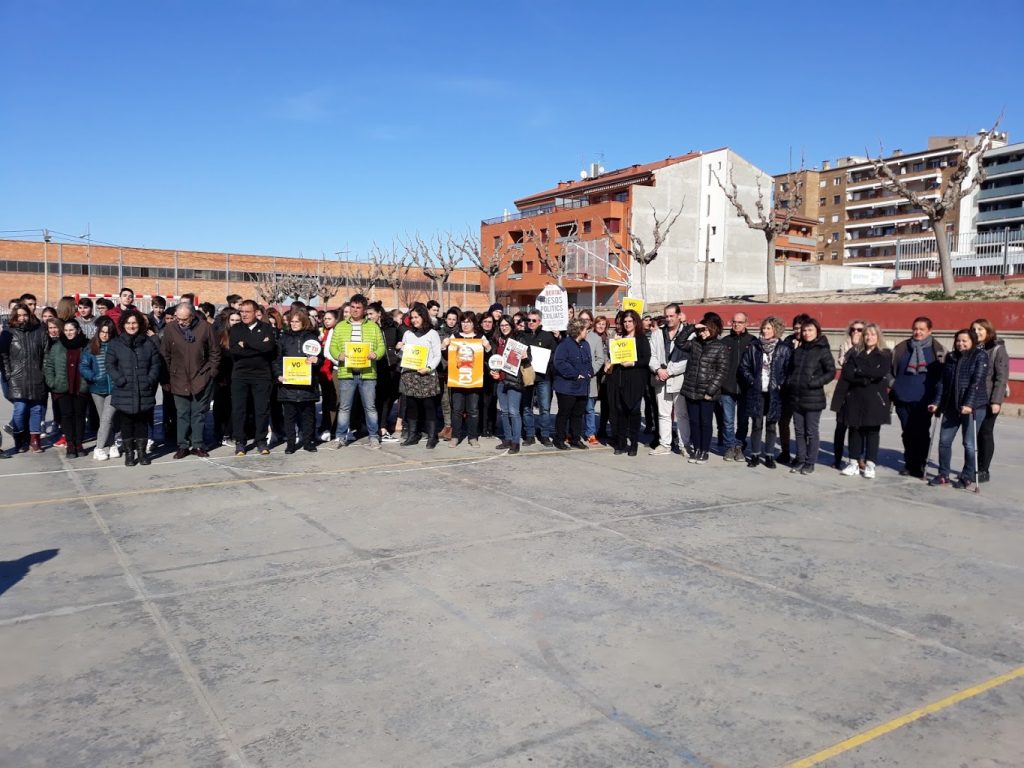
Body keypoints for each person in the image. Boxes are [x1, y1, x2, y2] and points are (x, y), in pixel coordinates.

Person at [929, 328, 989, 490]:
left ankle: (967, 475)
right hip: (951, 406)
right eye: (958, 340)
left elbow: (977, 381)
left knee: (968, 443)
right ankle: (943, 474)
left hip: (974, 407)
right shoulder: (951, 357)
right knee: (944, 441)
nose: (960, 343)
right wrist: (936, 402)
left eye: (964, 341)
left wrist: (969, 404)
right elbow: (942, 382)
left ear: (972, 341)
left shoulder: (980, 356)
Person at [162, 302, 220, 458]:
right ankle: (182, 445)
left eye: (185, 319)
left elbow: (215, 352)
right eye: (178, 318)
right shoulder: (170, 329)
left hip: (201, 377)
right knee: (182, 413)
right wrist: (166, 377)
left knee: (198, 413)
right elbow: (165, 354)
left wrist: (211, 372)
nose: (181, 322)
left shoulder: (205, 328)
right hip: (178, 378)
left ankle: (197, 444)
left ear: (193, 316)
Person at [328, 294, 387, 449]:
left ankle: (373, 436)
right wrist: (338, 355)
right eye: (352, 307)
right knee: (344, 407)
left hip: (367, 373)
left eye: (358, 308)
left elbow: (381, 347)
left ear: (364, 309)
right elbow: (332, 347)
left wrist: (376, 354)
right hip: (346, 372)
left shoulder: (373, 327)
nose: (355, 310)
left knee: (370, 407)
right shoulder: (340, 326)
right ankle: (340, 437)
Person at [891, 317, 946, 478]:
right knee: (907, 432)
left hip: (925, 400)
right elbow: (889, 369)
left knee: (921, 432)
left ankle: (920, 463)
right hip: (902, 397)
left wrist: (938, 399)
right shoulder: (902, 348)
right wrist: (894, 384)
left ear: (930, 331)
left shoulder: (938, 350)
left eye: (922, 329)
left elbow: (943, 376)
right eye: (915, 328)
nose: (918, 332)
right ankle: (910, 463)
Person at [835, 323, 891, 479]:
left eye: (872, 334)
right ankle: (853, 462)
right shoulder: (855, 352)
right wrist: (865, 377)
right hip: (855, 397)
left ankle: (870, 464)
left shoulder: (885, 354)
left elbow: (880, 372)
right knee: (855, 430)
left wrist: (859, 371)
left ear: (878, 336)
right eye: (866, 334)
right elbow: (848, 373)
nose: (869, 337)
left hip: (875, 398)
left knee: (872, 432)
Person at [106, 310, 162, 466]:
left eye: (134, 323)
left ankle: (142, 453)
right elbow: (110, 365)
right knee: (126, 423)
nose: (131, 326)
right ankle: (129, 454)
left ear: (140, 324)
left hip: (143, 389)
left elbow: (155, 364)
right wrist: (120, 379)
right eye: (128, 323)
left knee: (142, 423)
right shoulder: (116, 344)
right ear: (123, 325)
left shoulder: (148, 343)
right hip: (124, 389)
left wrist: (149, 380)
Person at [786, 317, 835, 475]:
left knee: (811, 431)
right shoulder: (798, 350)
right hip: (796, 397)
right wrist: (790, 382)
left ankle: (810, 462)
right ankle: (801, 459)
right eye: (805, 330)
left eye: (810, 330)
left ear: (817, 331)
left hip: (813, 397)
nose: (807, 333)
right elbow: (791, 370)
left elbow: (831, 372)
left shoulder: (822, 350)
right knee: (799, 431)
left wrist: (814, 382)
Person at [740, 316, 791, 469]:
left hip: (774, 392)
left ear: (776, 330)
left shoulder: (783, 348)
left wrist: (781, 383)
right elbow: (744, 366)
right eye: (764, 328)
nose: (765, 330)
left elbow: (788, 370)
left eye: (768, 328)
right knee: (756, 424)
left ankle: (769, 455)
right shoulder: (754, 346)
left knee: (771, 425)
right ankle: (755, 454)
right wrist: (752, 381)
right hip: (757, 390)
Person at [228, 300, 278, 456]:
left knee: (261, 409)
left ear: (256, 313)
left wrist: (247, 344)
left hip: (262, 375)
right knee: (239, 409)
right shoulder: (236, 329)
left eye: (247, 312)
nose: (243, 315)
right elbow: (235, 350)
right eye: (241, 311)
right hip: (240, 375)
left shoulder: (267, 328)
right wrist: (258, 346)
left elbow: (269, 348)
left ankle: (261, 441)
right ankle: (240, 442)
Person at [679, 313, 729, 464]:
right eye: (701, 330)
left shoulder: (720, 347)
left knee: (705, 422)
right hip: (691, 389)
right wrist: (692, 328)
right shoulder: (695, 343)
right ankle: (696, 449)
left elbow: (722, 371)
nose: (702, 333)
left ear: (713, 329)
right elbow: (680, 342)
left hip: (707, 392)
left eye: (705, 330)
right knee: (694, 421)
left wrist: (711, 391)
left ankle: (704, 450)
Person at [0, 302, 48, 453]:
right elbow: (3, 355)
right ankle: (19, 439)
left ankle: (35, 440)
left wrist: (43, 372)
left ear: (30, 315)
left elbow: (46, 353)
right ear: (14, 316)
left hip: (36, 376)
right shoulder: (8, 332)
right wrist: (8, 374)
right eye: (19, 315)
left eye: (25, 315)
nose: (22, 318)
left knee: (36, 409)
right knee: (20, 409)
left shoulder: (39, 331)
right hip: (17, 378)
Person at [275, 308, 322, 453]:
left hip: (307, 384)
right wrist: (278, 375)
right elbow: (277, 360)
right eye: (292, 321)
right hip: (288, 385)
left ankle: (308, 442)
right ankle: (290, 444)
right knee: (289, 416)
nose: (294, 324)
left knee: (308, 415)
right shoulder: (283, 338)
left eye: (297, 321)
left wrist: (317, 360)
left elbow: (320, 358)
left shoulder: (311, 338)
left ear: (304, 322)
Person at [606, 309, 652, 456]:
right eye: (625, 321)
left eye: (630, 321)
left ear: (635, 322)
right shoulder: (621, 338)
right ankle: (621, 443)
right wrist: (614, 348)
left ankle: (633, 443)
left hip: (636, 379)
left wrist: (633, 363)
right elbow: (614, 358)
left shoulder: (641, 339)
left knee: (633, 411)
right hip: (620, 379)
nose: (627, 324)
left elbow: (646, 359)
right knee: (620, 411)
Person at [397, 303, 442, 448]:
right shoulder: (408, 334)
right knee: (411, 406)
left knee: (429, 406)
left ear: (423, 316)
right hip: (409, 375)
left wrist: (429, 368)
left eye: (416, 317)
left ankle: (432, 436)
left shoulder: (432, 334)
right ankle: (412, 435)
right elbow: (403, 355)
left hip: (426, 375)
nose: (414, 320)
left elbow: (437, 355)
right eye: (412, 318)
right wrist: (399, 349)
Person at [44, 320, 91, 457]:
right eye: (66, 330)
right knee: (66, 415)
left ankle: (79, 443)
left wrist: (89, 381)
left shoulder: (87, 345)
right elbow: (49, 366)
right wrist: (52, 382)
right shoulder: (57, 346)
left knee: (80, 415)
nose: (68, 333)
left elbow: (93, 364)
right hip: (62, 387)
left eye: (71, 330)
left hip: (81, 386)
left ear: (78, 330)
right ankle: (70, 443)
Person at [647, 303, 689, 456]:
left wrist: (669, 371)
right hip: (661, 378)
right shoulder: (657, 333)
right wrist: (658, 369)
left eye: (672, 316)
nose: (669, 319)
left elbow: (688, 359)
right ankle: (665, 444)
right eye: (667, 316)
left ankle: (684, 444)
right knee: (663, 413)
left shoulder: (687, 334)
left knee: (682, 414)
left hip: (679, 378)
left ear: (679, 316)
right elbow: (651, 355)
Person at [972, 318, 1009, 484]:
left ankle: (983, 469)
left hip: (988, 399)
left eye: (980, 329)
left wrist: (996, 401)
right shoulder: (972, 348)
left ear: (988, 331)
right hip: (972, 398)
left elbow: (1001, 377)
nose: (977, 332)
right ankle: (972, 468)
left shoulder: (997, 349)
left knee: (985, 433)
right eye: (974, 329)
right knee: (974, 434)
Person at [446, 312, 490, 447]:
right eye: (463, 322)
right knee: (457, 410)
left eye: (469, 322)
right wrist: (444, 346)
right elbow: (448, 357)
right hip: (458, 379)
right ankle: (455, 436)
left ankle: (472, 437)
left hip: (474, 380)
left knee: (473, 410)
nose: (466, 324)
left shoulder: (480, 337)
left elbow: (489, 357)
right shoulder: (455, 337)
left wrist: (488, 347)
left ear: (473, 323)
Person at [491, 315, 531, 454]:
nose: (504, 328)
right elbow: (493, 360)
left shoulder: (519, 339)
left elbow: (528, 359)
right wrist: (493, 371)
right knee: (504, 412)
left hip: (514, 380)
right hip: (501, 380)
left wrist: (525, 357)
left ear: (511, 325)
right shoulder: (497, 340)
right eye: (502, 325)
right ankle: (507, 439)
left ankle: (515, 442)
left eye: (506, 325)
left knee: (514, 412)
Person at [81, 317, 119, 460]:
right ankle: (112, 444)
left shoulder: (116, 347)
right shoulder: (91, 347)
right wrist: (93, 377)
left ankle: (98, 448)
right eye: (102, 332)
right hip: (97, 389)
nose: (105, 335)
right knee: (105, 419)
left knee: (106, 418)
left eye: (108, 332)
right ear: (98, 332)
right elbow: (83, 366)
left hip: (114, 389)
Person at [718, 312, 755, 461]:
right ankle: (729, 446)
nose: (736, 324)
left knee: (743, 421)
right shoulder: (725, 341)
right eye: (734, 321)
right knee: (727, 420)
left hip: (746, 388)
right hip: (728, 387)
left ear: (746, 323)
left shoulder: (753, 341)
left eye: (740, 322)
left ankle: (739, 446)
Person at [552, 318, 592, 450]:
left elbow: (588, 362)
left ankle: (575, 438)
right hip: (566, 387)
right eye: (585, 329)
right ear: (579, 330)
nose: (587, 332)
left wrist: (589, 372)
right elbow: (559, 362)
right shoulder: (564, 344)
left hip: (582, 387)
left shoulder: (585, 345)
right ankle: (559, 439)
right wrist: (575, 374)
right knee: (564, 414)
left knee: (578, 414)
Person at [831, 320, 865, 469]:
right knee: (840, 427)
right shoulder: (845, 345)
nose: (856, 332)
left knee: (858, 428)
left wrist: (858, 346)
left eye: (859, 330)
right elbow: (843, 363)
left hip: (860, 392)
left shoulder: (869, 348)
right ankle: (837, 458)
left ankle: (858, 457)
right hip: (844, 391)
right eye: (853, 329)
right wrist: (853, 347)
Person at [520, 309, 557, 446]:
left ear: (539, 321)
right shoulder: (522, 336)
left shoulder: (547, 336)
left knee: (545, 408)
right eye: (528, 320)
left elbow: (554, 354)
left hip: (543, 378)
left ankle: (545, 435)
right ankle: (529, 435)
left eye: (534, 320)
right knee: (526, 408)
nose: (530, 322)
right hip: (527, 377)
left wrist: (545, 361)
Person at [777, 313, 809, 465]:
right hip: (786, 390)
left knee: (801, 425)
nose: (798, 331)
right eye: (795, 328)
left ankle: (802, 455)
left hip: (804, 391)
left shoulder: (812, 344)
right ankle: (785, 452)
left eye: (801, 328)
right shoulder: (787, 342)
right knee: (783, 422)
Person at [368, 301, 402, 442]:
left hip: (392, 367)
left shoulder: (393, 327)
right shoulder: (368, 328)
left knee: (388, 398)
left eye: (371, 314)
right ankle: (378, 427)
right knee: (376, 399)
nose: (369, 317)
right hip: (374, 367)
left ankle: (382, 426)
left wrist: (398, 347)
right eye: (367, 314)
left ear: (379, 313)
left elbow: (400, 342)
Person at [577, 310, 607, 446]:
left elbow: (600, 359)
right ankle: (573, 432)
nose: (584, 322)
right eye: (582, 319)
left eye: (587, 320)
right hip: (575, 378)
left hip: (590, 378)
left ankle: (590, 433)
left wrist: (590, 372)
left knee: (589, 408)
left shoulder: (596, 338)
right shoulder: (573, 335)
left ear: (591, 322)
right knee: (576, 408)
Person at [212, 308, 240, 445]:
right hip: (222, 377)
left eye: (237, 320)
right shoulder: (220, 336)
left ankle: (230, 433)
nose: (235, 322)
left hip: (238, 376)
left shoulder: (244, 335)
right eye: (232, 320)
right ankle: (219, 433)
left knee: (235, 407)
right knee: (220, 406)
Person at [437, 306, 461, 441]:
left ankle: (453, 427)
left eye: (454, 319)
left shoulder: (460, 334)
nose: (451, 321)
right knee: (444, 399)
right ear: (445, 319)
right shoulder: (439, 333)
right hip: (442, 369)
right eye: (449, 319)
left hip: (457, 370)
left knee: (454, 400)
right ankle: (447, 425)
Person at [317, 309, 340, 442]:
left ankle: (332, 427)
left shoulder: (336, 332)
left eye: (329, 319)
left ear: (336, 319)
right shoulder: (325, 332)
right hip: (324, 370)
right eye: (325, 319)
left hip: (333, 369)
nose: (326, 321)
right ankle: (326, 426)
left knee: (334, 400)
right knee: (327, 400)